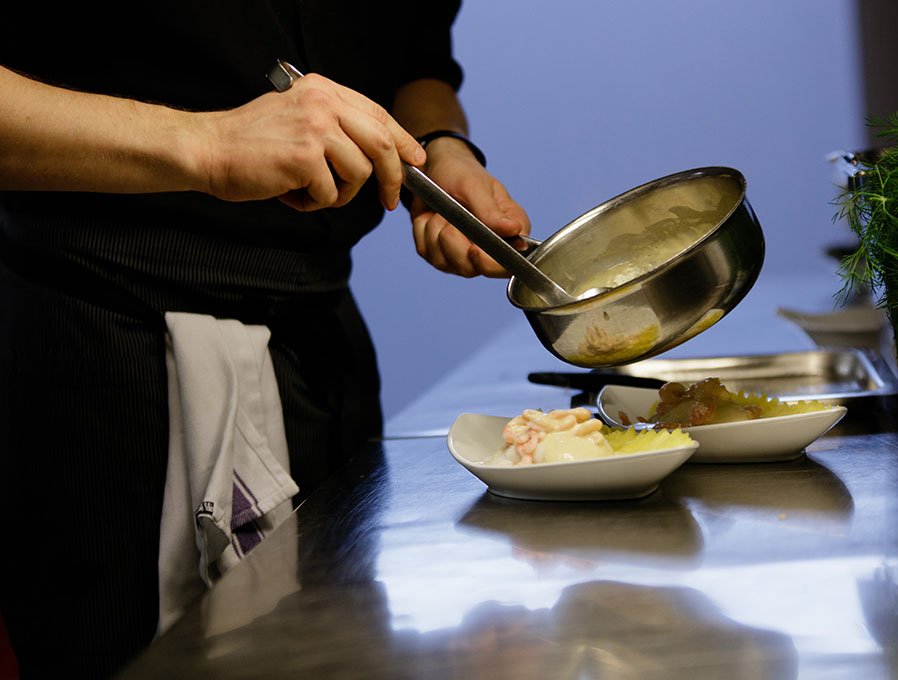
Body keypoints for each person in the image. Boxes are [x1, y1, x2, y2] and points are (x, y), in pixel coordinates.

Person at [0, 2, 530, 677]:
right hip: (107, 355)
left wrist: (440, 150)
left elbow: (417, 60)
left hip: (321, 348)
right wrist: (210, 145)